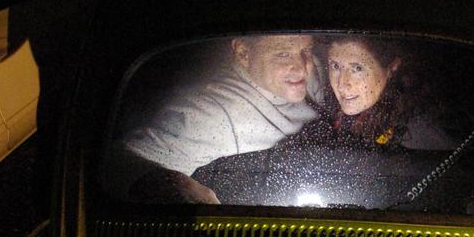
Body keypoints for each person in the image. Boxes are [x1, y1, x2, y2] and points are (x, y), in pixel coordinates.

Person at [112, 34, 321, 203]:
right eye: (283, 54)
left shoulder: (313, 69)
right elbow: (122, 164)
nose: (303, 66)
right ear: (243, 53)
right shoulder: (211, 114)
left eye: (307, 50)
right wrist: (179, 188)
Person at [294, 36, 454, 151]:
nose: (342, 84)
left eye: (357, 68)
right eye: (335, 66)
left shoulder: (418, 132)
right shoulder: (323, 107)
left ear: (391, 68)